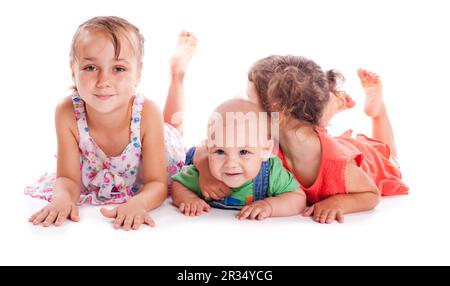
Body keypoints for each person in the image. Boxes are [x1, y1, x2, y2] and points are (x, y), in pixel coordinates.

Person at [26, 16, 196, 230]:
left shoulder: (147, 113)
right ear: (72, 71)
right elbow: (68, 178)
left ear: (138, 74)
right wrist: (62, 199)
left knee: (174, 129)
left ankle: (177, 74)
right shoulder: (67, 112)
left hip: (162, 146)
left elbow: (157, 183)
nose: (103, 81)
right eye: (90, 67)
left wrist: (138, 203)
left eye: (118, 68)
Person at [195, 55, 408, 224]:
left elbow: (371, 194)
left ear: (280, 113)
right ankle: (329, 105)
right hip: (307, 135)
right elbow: (205, 147)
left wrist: (338, 202)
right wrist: (206, 171)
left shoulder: (340, 165)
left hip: (370, 162)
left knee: (388, 156)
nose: (242, 103)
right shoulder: (265, 143)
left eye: (250, 100)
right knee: (303, 129)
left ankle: (378, 112)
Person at [171, 99, 307, 220]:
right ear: (208, 149)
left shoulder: (271, 172)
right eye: (220, 151)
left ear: (265, 150)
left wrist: (269, 206)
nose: (230, 164)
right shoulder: (205, 175)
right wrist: (189, 199)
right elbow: (178, 184)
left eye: (243, 152)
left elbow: (298, 198)